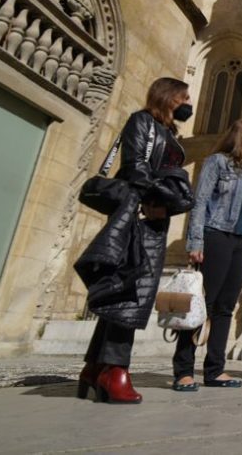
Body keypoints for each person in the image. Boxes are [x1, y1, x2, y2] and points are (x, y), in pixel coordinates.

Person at [76, 77, 193, 404]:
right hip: (139, 217)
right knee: (131, 294)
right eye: (183, 98)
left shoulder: (170, 134)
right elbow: (136, 168)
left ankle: (93, 367)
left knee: (124, 292)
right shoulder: (142, 122)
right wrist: (164, 197)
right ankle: (115, 371)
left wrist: (169, 202)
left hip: (155, 218)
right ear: (168, 98)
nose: (188, 104)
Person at [172, 118, 242, 391]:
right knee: (203, 305)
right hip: (216, 235)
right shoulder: (217, 162)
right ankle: (184, 370)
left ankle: (215, 369)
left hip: (241, 241)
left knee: (226, 307)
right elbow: (199, 202)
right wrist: (195, 241)